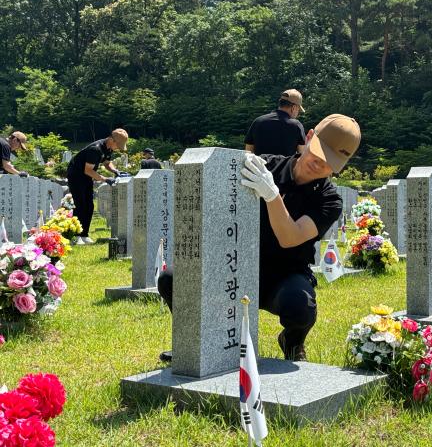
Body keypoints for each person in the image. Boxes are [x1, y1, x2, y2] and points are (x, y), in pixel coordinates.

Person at [157, 114, 361, 362]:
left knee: (301, 306)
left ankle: (292, 342)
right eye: (317, 153)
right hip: (234, 264)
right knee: (172, 279)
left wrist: (272, 195)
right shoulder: (265, 166)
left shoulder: (329, 200)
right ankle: (195, 341)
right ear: (308, 137)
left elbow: (290, 237)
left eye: (328, 162)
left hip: (282, 275)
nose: (318, 164)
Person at [67, 129, 129, 245]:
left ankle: (84, 234)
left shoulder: (108, 148)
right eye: (117, 145)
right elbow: (88, 170)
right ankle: (75, 236)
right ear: (111, 139)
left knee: (89, 205)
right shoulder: (95, 149)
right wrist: (105, 179)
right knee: (80, 204)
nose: (117, 148)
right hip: (76, 175)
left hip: (86, 176)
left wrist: (115, 171)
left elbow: (106, 163)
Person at [244, 89, 306, 156]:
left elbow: (248, 154)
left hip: (259, 166)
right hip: (285, 166)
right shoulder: (296, 126)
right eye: (298, 110)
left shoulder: (258, 121)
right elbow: (301, 156)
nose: (298, 113)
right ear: (293, 108)